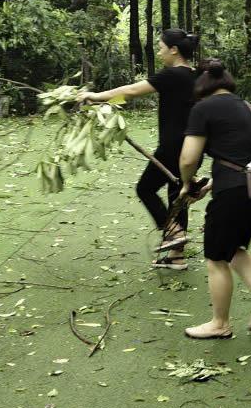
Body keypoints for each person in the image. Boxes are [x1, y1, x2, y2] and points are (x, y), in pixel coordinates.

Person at [177, 60, 251, 339]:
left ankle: (220, 324)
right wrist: (212, 185)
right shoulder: (247, 107)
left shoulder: (202, 108)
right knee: (232, 248)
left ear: (201, 85)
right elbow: (246, 156)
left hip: (238, 193)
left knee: (215, 257)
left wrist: (187, 183)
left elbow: (188, 158)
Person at [79, 29, 199, 268]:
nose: (160, 51)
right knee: (178, 195)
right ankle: (177, 257)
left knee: (145, 189)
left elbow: (131, 92)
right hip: (194, 146)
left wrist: (96, 97)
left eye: (162, 47)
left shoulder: (172, 75)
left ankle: (172, 232)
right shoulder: (196, 75)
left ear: (174, 50)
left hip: (172, 146)